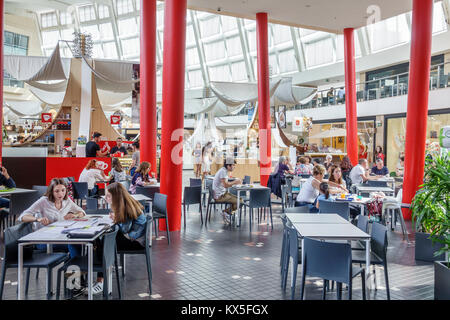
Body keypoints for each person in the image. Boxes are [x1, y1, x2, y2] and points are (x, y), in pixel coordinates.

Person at [90, 182, 147, 295]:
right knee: (101, 239)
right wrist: (117, 219)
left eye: (108, 196)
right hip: (132, 238)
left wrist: (116, 219)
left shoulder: (125, 207)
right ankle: (104, 268)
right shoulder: (126, 203)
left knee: (103, 241)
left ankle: (101, 278)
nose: (105, 198)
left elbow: (124, 230)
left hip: (135, 242)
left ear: (116, 196)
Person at [17, 178, 85, 258]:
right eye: (57, 191)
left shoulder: (67, 201)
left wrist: (74, 215)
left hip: (59, 236)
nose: (61, 194)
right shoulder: (43, 201)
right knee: (75, 243)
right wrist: (37, 219)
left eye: (63, 190)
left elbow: (82, 212)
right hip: (42, 241)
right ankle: (75, 268)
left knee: (78, 242)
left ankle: (72, 267)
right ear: (51, 191)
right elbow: (22, 217)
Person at [212, 157, 242, 224]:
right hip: (220, 196)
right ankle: (226, 212)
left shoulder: (223, 170)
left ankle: (227, 212)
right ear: (228, 166)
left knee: (240, 200)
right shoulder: (223, 172)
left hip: (222, 194)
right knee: (240, 202)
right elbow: (225, 185)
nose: (234, 167)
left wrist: (234, 181)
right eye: (233, 165)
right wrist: (235, 182)